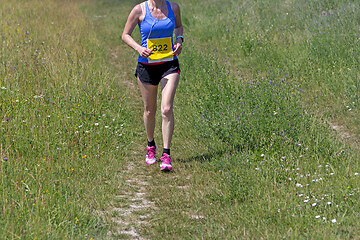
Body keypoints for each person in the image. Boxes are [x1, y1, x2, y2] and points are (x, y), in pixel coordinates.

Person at [122, 0, 183, 172]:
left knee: (166, 108)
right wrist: (138, 48)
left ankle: (166, 154)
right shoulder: (139, 10)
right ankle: (150, 145)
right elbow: (125, 34)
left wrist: (179, 39)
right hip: (147, 66)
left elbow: (179, 27)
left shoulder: (174, 8)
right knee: (150, 110)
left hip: (169, 64)